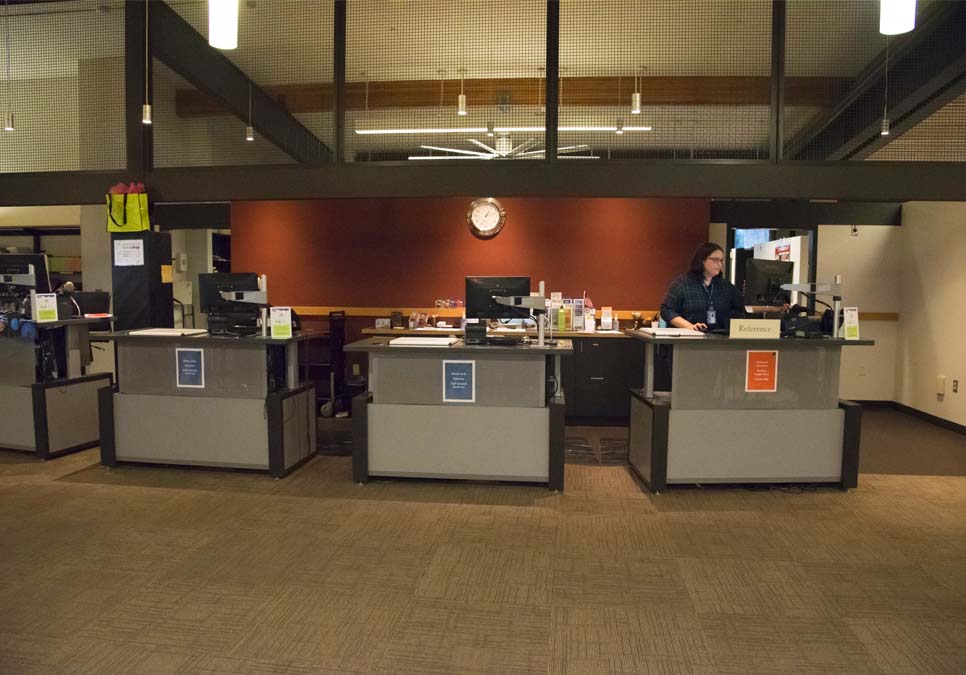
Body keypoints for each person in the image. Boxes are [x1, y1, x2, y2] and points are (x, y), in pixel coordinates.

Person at [661, 242, 784, 332]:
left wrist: (771, 308)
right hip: (688, 341)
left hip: (717, 340)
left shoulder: (724, 286)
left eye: (721, 260)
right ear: (702, 261)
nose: (719, 264)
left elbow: (744, 306)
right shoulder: (683, 283)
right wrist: (689, 326)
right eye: (715, 260)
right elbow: (666, 310)